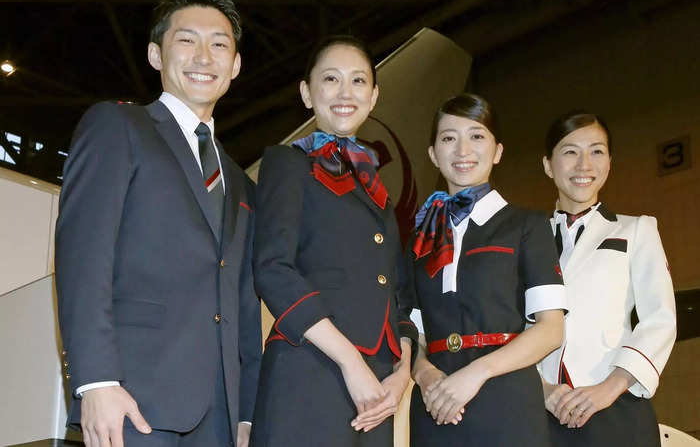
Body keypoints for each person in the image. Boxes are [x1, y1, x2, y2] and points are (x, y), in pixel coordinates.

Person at [55, 0, 262, 447]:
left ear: (235, 65)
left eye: (219, 45)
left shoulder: (240, 179)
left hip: (220, 415)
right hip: (132, 399)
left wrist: (247, 411)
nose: (203, 57)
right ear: (155, 55)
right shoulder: (118, 126)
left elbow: (244, 303)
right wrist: (96, 382)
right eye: (186, 41)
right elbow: (83, 260)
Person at [249, 36, 416, 447]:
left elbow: (398, 290)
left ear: (373, 96)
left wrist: (403, 372)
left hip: (378, 384)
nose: (346, 93)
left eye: (358, 81)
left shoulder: (377, 189)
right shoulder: (287, 164)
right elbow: (273, 269)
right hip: (311, 368)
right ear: (307, 93)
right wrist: (350, 361)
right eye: (331, 79)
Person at [402, 94, 566, 447]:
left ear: (498, 151)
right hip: (435, 405)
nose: (462, 150)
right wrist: (425, 374)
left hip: (506, 399)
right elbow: (410, 329)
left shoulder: (527, 226)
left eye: (476, 136)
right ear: (433, 154)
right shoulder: (420, 238)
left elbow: (551, 330)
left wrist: (476, 374)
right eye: (448, 138)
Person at [538, 111, 676, 447]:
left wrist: (607, 389)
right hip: (540, 412)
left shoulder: (636, 229)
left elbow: (660, 319)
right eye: (570, 152)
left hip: (616, 407)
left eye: (596, 151)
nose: (584, 164)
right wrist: (542, 390)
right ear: (548, 165)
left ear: (609, 163)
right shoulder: (525, 240)